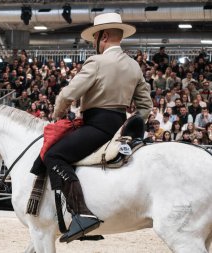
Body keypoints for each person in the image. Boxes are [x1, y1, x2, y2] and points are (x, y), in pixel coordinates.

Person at [41, 13, 152, 243]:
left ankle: (81, 214)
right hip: (119, 128)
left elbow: (68, 94)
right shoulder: (134, 66)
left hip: (96, 126)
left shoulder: (96, 62)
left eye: (95, 38)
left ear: (103, 36)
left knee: (54, 155)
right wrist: (131, 124)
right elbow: (145, 106)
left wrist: (57, 114)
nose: (94, 43)